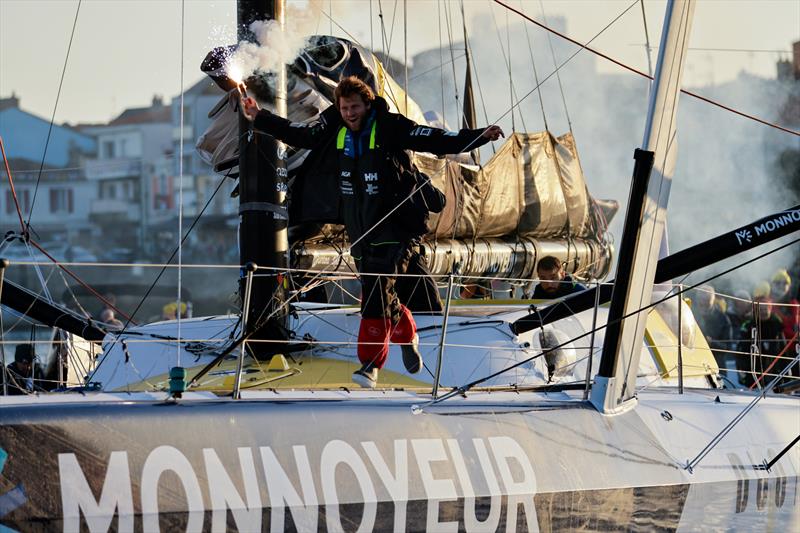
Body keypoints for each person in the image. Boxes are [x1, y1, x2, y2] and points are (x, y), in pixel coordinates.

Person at [242, 76, 503, 388]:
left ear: (367, 105)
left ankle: (370, 364)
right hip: (361, 227)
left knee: (376, 295)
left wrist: (478, 137)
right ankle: (406, 333)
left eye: (355, 107)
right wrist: (260, 116)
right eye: (344, 107)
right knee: (383, 291)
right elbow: (300, 134)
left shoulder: (389, 126)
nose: (350, 113)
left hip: (398, 226)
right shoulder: (333, 126)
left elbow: (433, 139)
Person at [737, 296, 790, 390]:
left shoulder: (776, 324)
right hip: (754, 375)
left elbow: (784, 349)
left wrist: (787, 373)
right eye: (760, 309)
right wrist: (743, 373)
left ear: (770, 309)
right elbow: (741, 352)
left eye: (766, 309)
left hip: (775, 373)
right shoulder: (748, 326)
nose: (763, 312)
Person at [691, 285, 733, 374]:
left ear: (712, 300)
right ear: (697, 300)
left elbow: (728, 346)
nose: (703, 305)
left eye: (706, 302)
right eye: (701, 302)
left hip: (717, 366)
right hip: (694, 365)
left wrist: (712, 342)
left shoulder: (723, 318)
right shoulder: (690, 315)